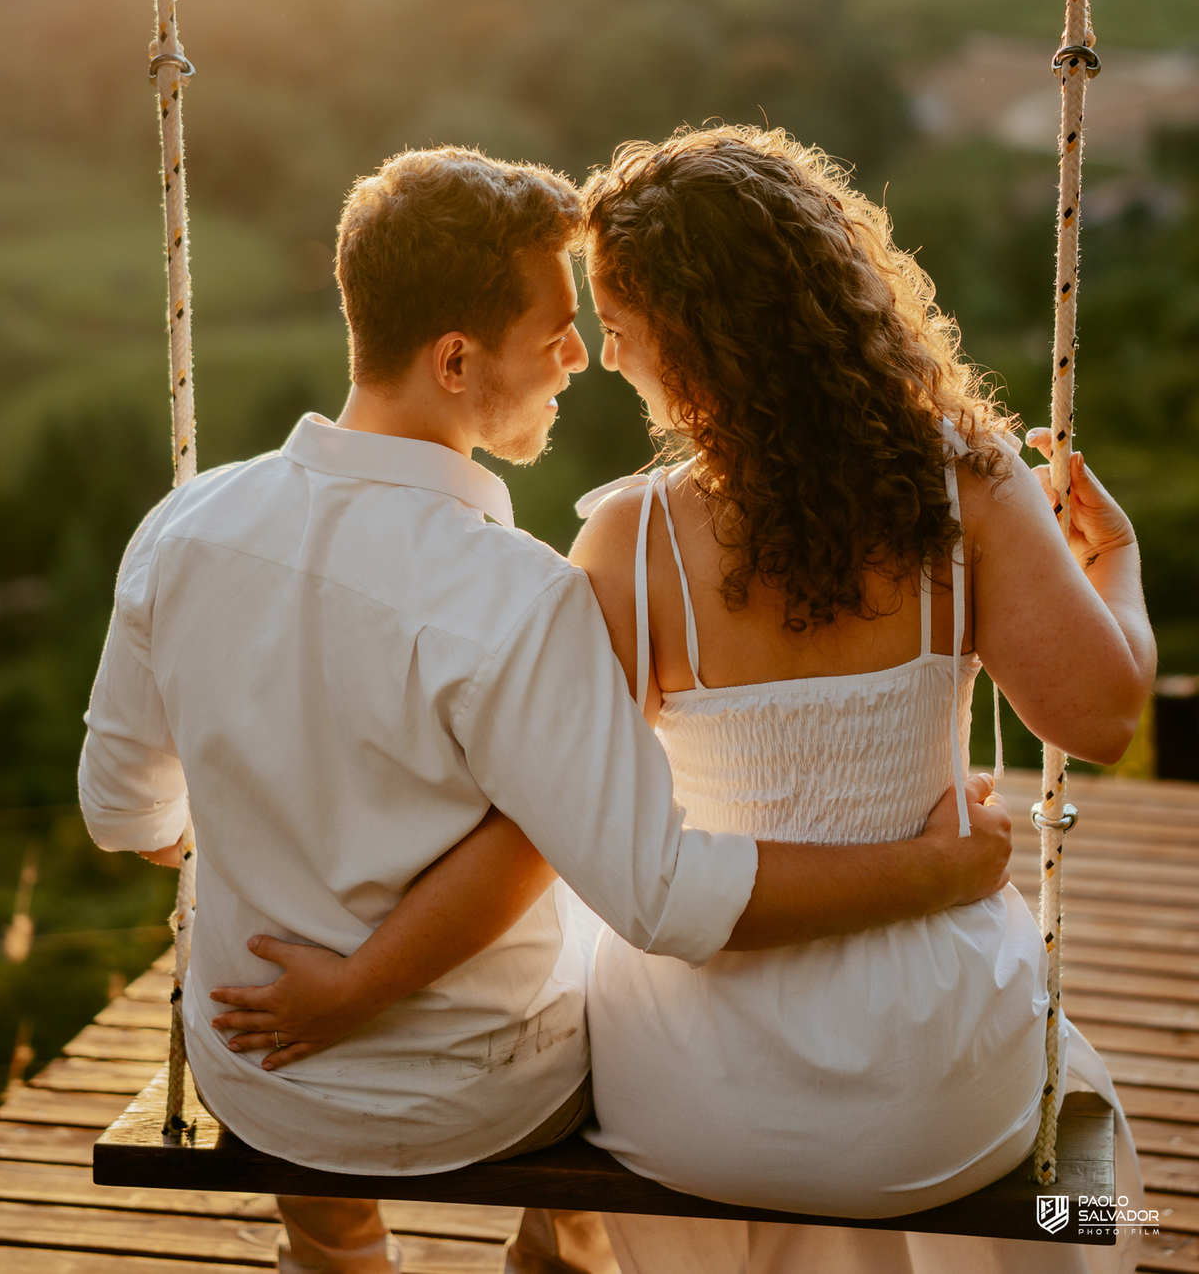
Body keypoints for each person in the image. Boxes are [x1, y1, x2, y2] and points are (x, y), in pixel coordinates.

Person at [228, 128, 1154, 1274]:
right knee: (1094, 1157)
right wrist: (1114, 563)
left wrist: (364, 982)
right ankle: (1101, 1242)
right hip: (938, 1094)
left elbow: (536, 827)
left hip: (694, 1101)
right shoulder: (967, 485)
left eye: (618, 329)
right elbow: (1105, 717)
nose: (608, 360)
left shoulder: (630, 542)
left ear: (703, 341)